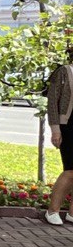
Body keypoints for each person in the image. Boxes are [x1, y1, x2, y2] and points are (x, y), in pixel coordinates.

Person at [43, 48, 73, 225]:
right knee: (70, 170)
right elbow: (52, 103)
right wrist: (55, 129)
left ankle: (71, 213)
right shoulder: (63, 72)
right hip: (68, 125)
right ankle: (52, 210)